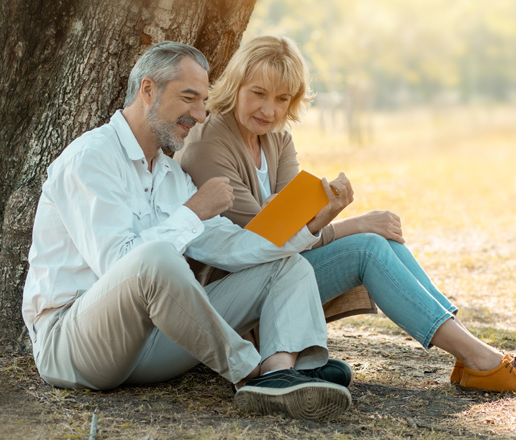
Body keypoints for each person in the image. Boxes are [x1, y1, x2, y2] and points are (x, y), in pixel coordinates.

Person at [174, 35, 516, 394]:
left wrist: (325, 214)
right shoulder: (209, 142)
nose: (269, 109)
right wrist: (351, 223)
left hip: (280, 274)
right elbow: (264, 238)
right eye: (258, 93)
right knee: (368, 246)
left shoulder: (277, 138)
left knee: (379, 239)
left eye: (281, 98)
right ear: (236, 84)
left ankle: (470, 353)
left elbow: (297, 222)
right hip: (232, 295)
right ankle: (479, 359)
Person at [21, 41, 359, 421]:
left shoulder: (170, 175)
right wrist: (193, 210)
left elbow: (232, 249)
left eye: (203, 101)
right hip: (74, 345)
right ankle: (251, 373)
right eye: (189, 98)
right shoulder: (91, 159)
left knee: (287, 264)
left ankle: (281, 374)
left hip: (151, 344)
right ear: (148, 90)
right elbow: (118, 264)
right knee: (155, 258)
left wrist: (314, 222)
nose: (200, 115)